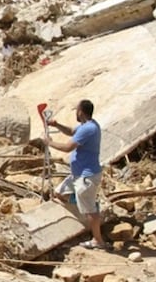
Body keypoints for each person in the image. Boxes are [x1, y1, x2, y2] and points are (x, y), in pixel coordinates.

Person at [37, 99, 106, 249]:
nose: (76, 113)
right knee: (60, 193)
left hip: (86, 176)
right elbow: (71, 132)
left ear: (80, 112)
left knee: (90, 210)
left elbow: (68, 147)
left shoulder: (89, 128)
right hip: (78, 175)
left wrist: (48, 142)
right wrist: (56, 125)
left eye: (77, 110)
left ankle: (98, 240)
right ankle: (85, 208)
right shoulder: (86, 126)